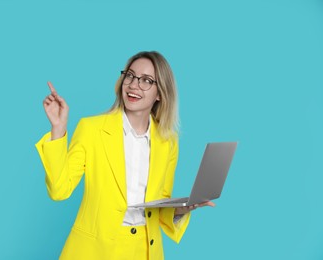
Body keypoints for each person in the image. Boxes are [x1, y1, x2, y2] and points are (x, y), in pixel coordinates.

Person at [35, 51, 214, 260]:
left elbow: (159, 205)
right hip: (95, 251)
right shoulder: (92, 129)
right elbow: (59, 190)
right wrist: (58, 129)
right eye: (130, 75)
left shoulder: (168, 142)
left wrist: (183, 209)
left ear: (160, 93)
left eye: (146, 80)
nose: (134, 85)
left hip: (146, 252)